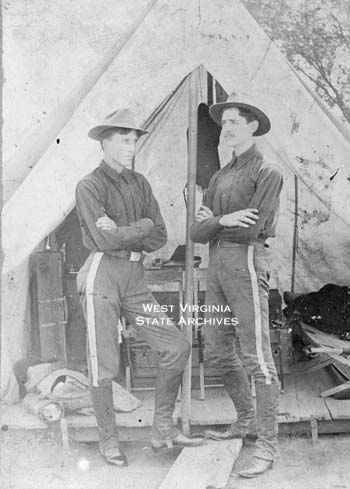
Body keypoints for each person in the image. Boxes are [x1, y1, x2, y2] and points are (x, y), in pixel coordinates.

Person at [76, 109, 203, 467]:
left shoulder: (140, 182)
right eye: (123, 139)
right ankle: (108, 440)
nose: (130, 146)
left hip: (134, 277)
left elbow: (161, 234)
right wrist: (142, 225)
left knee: (175, 344)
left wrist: (132, 229)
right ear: (105, 142)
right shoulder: (90, 185)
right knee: (104, 362)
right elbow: (103, 237)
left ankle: (162, 429)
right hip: (101, 276)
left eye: (134, 140)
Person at [190, 93, 283, 478]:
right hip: (216, 264)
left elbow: (254, 229)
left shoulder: (267, 172)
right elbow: (197, 231)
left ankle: (268, 445)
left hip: (245, 264)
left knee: (257, 356)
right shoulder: (219, 174)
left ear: (252, 127)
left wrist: (218, 221)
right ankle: (246, 420)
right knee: (215, 348)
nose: (226, 128)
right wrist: (224, 221)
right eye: (223, 122)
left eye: (233, 122)